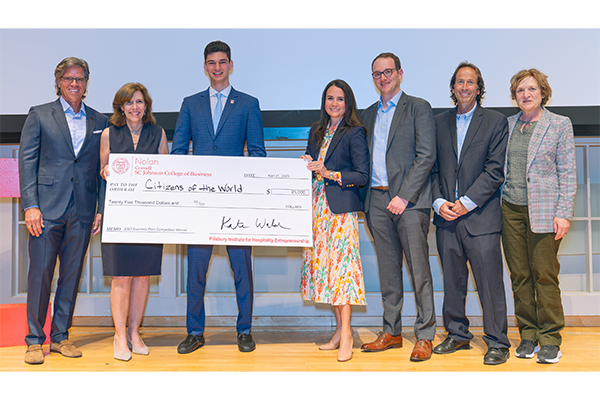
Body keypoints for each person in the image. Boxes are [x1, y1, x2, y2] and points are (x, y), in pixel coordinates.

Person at [171, 40, 266, 354]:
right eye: (211, 62)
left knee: (242, 270)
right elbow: (178, 151)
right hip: (198, 204)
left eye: (222, 62)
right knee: (196, 270)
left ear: (231, 65)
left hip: (235, 202)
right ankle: (195, 332)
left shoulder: (248, 103)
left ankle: (245, 331)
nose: (217, 67)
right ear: (204, 67)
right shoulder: (190, 103)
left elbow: (257, 153)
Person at [19, 57, 108, 365]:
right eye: (69, 79)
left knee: (70, 276)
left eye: (80, 79)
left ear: (86, 83)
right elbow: (27, 162)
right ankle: (34, 340)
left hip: (82, 211)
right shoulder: (40, 115)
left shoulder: (99, 120)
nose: (74, 84)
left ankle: (60, 337)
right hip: (45, 210)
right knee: (40, 275)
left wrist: (99, 208)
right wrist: (30, 205)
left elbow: (101, 169)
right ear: (58, 81)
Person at [430, 62, 511, 365]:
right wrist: (439, 203)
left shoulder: (495, 121)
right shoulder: (437, 123)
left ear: (479, 88)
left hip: (480, 217)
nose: (465, 87)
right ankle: (457, 335)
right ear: (452, 88)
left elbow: (494, 171)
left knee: (489, 283)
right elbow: (431, 168)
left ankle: (497, 342)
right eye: (460, 82)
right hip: (445, 217)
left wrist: (465, 202)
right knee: (452, 282)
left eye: (471, 82)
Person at [359, 52, 437, 362]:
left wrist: (404, 195)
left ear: (400, 73)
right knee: (388, 271)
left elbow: (426, 155)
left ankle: (425, 335)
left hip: (410, 202)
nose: (383, 77)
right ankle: (391, 332)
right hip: (376, 201)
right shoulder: (366, 114)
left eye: (388, 71)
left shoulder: (418, 107)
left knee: (419, 270)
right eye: (377, 73)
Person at [502, 69, 576, 364]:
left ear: (543, 92)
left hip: (545, 212)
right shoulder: (507, 125)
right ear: (514, 95)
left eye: (532, 89)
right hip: (510, 209)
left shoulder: (559, 124)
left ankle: (550, 339)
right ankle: (528, 336)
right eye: (520, 90)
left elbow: (568, 172)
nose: (526, 95)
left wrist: (564, 213)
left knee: (545, 276)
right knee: (520, 276)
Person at [300, 79, 369, 362]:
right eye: (330, 98)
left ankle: (348, 335)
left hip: (340, 212)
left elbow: (362, 175)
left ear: (348, 103)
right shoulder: (317, 131)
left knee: (343, 274)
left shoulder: (355, 132)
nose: (334, 104)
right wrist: (307, 162)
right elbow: (313, 166)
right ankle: (339, 332)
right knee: (328, 273)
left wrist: (330, 173)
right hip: (317, 210)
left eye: (340, 99)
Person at [99, 83, 169, 361]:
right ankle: (119, 336)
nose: (135, 107)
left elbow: (167, 172)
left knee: (142, 275)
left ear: (146, 106)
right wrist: (106, 171)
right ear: (120, 107)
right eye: (129, 103)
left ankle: (134, 331)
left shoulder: (158, 133)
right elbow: (101, 172)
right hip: (118, 215)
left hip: (149, 215)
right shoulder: (108, 134)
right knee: (121, 275)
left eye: (139, 102)